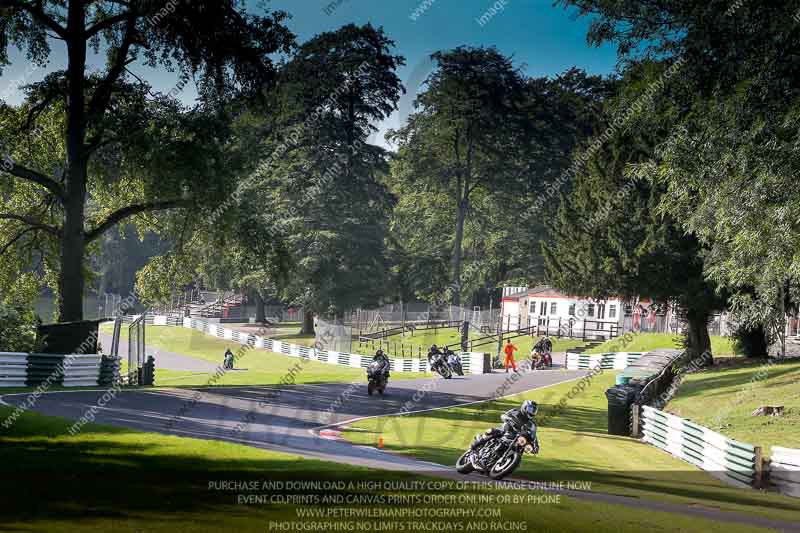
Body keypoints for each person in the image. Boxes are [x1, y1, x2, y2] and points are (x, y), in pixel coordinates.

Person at [470, 400, 539, 460]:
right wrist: (507, 418)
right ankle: (476, 444)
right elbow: (504, 415)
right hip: (506, 430)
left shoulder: (532, 424)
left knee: (520, 448)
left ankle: (507, 461)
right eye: (530, 409)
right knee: (491, 431)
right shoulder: (515, 411)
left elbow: (533, 435)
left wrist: (535, 447)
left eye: (533, 410)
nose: (532, 412)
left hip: (516, 437)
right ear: (525, 407)